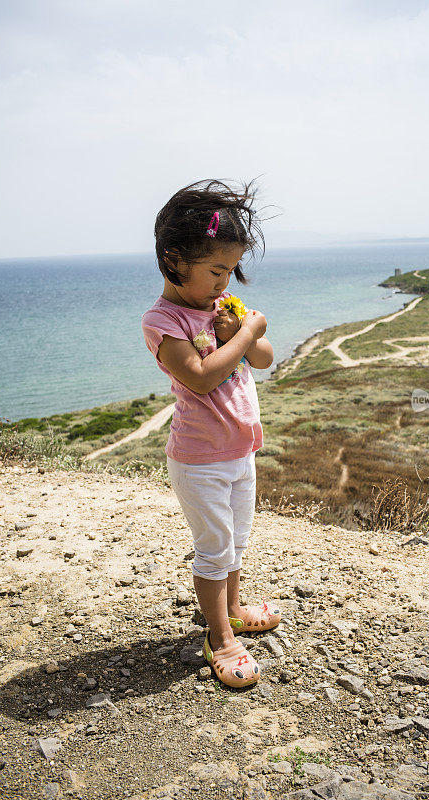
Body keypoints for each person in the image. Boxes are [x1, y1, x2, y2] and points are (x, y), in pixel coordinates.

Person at [141, 179, 281, 688]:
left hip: (240, 450)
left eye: (231, 271)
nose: (225, 282)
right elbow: (198, 377)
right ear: (175, 259)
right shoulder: (164, 320)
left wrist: (240, 333)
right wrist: (243, 334)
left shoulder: (223, 311)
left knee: (236, 541)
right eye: (216, 270)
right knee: (214, 546)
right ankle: (220, 637)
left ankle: (235, 608)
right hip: (199, 458)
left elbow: (262, 359)